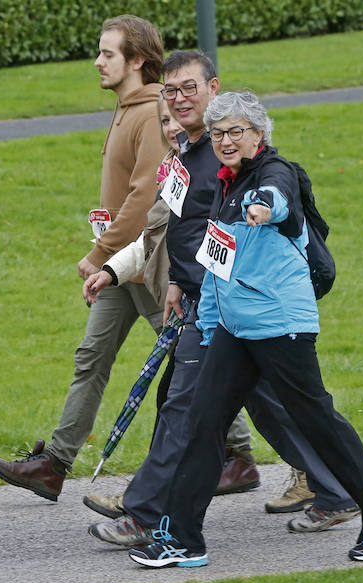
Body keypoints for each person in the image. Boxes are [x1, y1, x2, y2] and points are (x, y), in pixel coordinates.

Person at [126, 91, 363, 568]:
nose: (225, 140)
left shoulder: (274, 173)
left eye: (236, 131)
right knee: (203, 424)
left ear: (259, 134)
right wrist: (211, 324)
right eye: (218, 133)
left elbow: (276, 199)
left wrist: (263, 207)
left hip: (283, 327)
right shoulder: (225, 183)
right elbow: (218, 265)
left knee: (318, 423)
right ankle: (182, 538)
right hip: (236, 332)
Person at [86, 53, 361, 548]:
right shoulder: (186, 158)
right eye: (170, 92)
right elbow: (175, 230)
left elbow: (273, 192)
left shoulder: (230, 155)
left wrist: (259, 214)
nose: (178, 100)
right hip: (212, 304)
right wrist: (161, 280)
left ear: (213, 88)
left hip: (243, 307)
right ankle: (336, 490)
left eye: (189, 88)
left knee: (186, 407)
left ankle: (148, 513)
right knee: (271, 405)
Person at [0, 15, 167, 501]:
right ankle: (54, 465)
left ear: (137, 61)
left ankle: (237, 456)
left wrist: (101, 253)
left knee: (196, 358)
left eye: (108, 54)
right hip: (119, 267)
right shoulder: (126, 107)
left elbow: (145, 194)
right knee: (91, 356)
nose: (98, 62)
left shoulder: (151, 112)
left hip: (145, 262)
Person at [80, 97, 260, 519]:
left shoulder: (217, 169)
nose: (171, 126)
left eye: (177, 116)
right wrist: (113, 270)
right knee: (178, 402)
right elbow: (158, 236)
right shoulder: (178, 167)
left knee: (279, 405)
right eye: (163, 120)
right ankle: (152, 503)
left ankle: (324, 480)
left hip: (237, 312)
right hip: (202, 310)